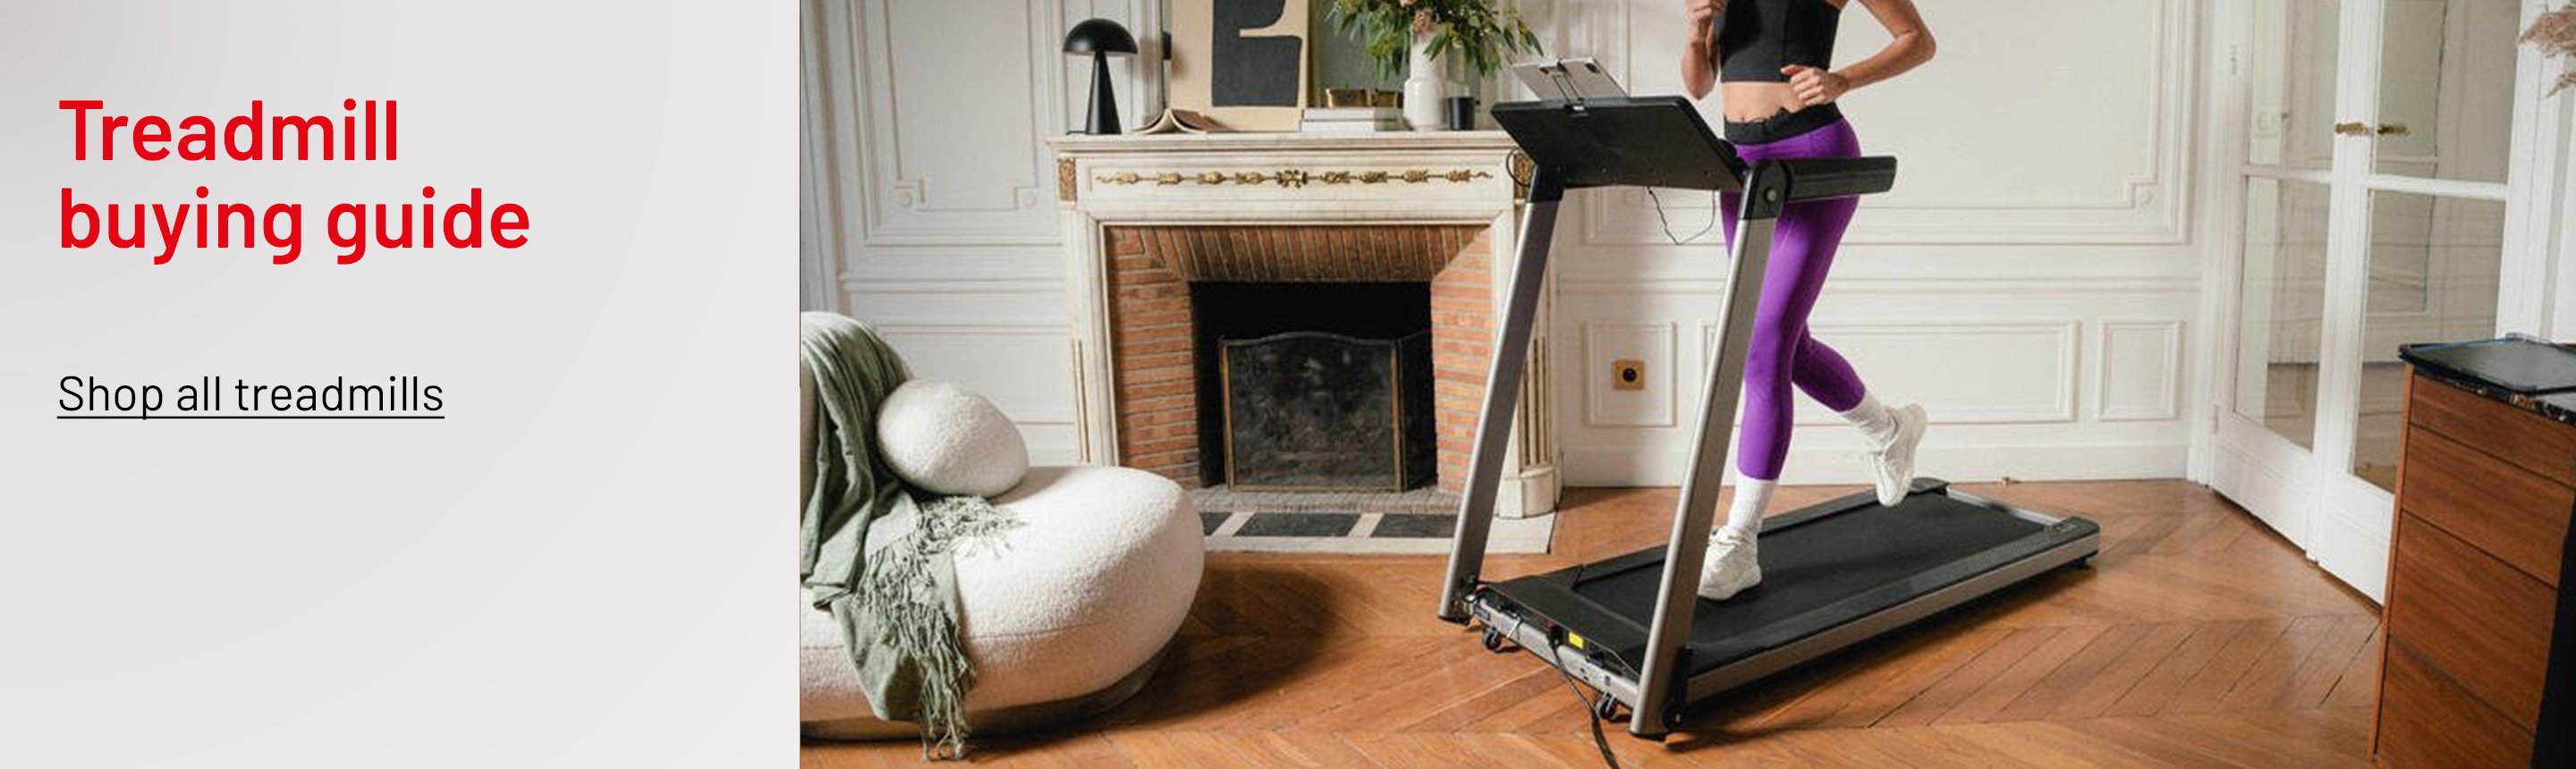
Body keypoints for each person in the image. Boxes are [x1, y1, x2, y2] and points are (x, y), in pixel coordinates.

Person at [1681, 0, 1936, 601]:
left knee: (1762, 346)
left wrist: (1844, 78)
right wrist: (1695, 33)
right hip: (1738, 165)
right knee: (1781, 341)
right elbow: (1699, 84)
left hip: (1812, 154)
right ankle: (1888, 428)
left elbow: (1917, 40)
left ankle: (1741, 541)